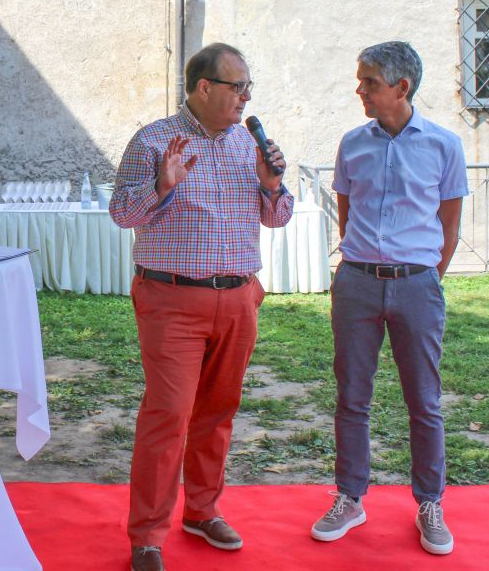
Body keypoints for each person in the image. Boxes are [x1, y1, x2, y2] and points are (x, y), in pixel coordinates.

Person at [110, 43, 295, 571]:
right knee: (169, 414)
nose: (246, 97)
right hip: (172, 300)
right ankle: (147, 536)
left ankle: (201, 511)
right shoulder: (153, 141)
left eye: (249, 87)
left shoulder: (248, 145)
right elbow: (122, 213)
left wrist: (271, 185)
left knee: (218, 411)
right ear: (204, 87)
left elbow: (278, 217)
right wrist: (161, 186)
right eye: (238, 86)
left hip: (238, 297)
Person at [309, 41, 468, 556]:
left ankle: (430, 503)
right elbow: (346, 214)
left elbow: (449, 226)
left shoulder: (444, 146)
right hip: (356, 282)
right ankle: (350, 497)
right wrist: (364, 269)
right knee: (352, 396)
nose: (360, 90)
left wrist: (425, 278)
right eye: (360, 80)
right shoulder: (352, 144)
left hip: (418, 285)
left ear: (402, 87)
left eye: (369, 82)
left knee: (424, 400)